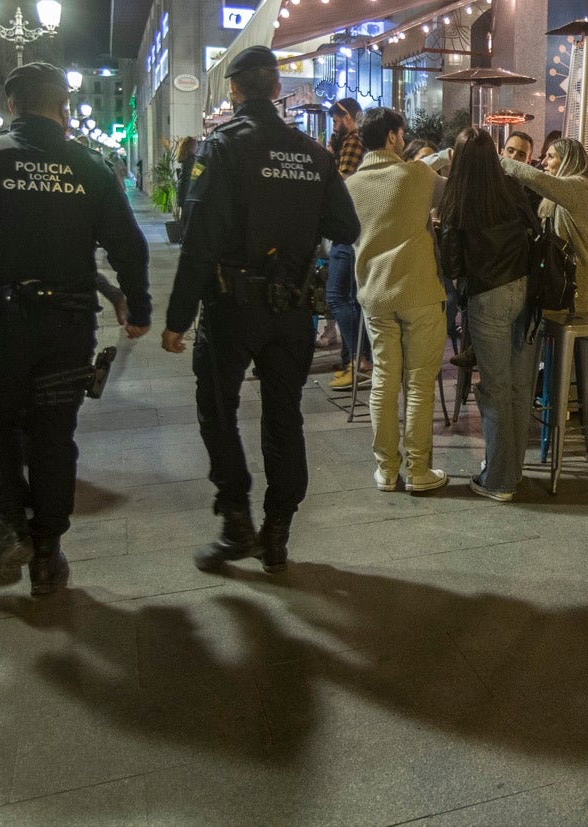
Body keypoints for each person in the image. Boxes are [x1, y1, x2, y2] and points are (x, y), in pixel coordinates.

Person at [0, 63, 151, 595]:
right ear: (63, 108)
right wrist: (139, 304)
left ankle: (10, 526)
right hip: (67, 322)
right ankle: (48, 552)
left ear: (10, 107)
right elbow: (128, 243)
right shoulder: (90, 165)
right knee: (54, 436)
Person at [162, 46, 358, 573]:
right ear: (276, 89)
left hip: (232, 304)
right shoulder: (313, 152)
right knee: (283, 416)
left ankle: (237, 520)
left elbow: (198, 239)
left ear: (235, 89)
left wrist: (177, 318)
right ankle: (277, 531)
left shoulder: (223, 148)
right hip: (292, 309)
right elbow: (347, 227)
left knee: (217, 408)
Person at [349, 107, 449, 494]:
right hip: (419, 292)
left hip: (374, 295)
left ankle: (387, 471)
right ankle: (419, 471)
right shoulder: (417, 175)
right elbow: (446, 188)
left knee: (383, 383)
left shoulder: (350, 186)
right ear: (393, 137)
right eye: (401, 134)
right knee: (420, 384)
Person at [438, 127, 541, 501]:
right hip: (527, 293)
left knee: (496, 389)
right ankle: (512, 471)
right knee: (517, 387)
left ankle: (497, 480)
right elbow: (534, 228)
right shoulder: (511, 188)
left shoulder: (459, 197)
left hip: (489, 298)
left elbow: (451, 263)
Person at [499, 137, 588, 314]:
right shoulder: (563, 193)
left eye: (551, 157)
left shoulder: (579, 186)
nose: (543, 162)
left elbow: (537, 178)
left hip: (583, 283)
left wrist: (496, 160)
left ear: (568, 160)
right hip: (568, 276)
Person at [326, 98, 370, 392]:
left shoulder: (353, 142)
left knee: (337, 296)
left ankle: (359, 360)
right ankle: (356, 360)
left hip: (348, 228)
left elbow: (342, 180)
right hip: (352, 228)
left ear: (352, 118)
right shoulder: (344, 142)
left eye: (339, 119)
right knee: (351, 299)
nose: (335, 124)